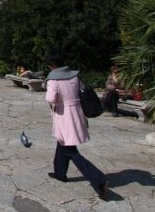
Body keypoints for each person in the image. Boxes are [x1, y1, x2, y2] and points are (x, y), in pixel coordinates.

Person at [45, 52, 109, 198]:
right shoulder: (74, 76)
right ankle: (60, 172)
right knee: (63, 142)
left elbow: (50, 98)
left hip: (64, 115)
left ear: (52, 65)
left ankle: (99, 180)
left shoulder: (53, 79)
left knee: (69, 149)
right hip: (77, 112)